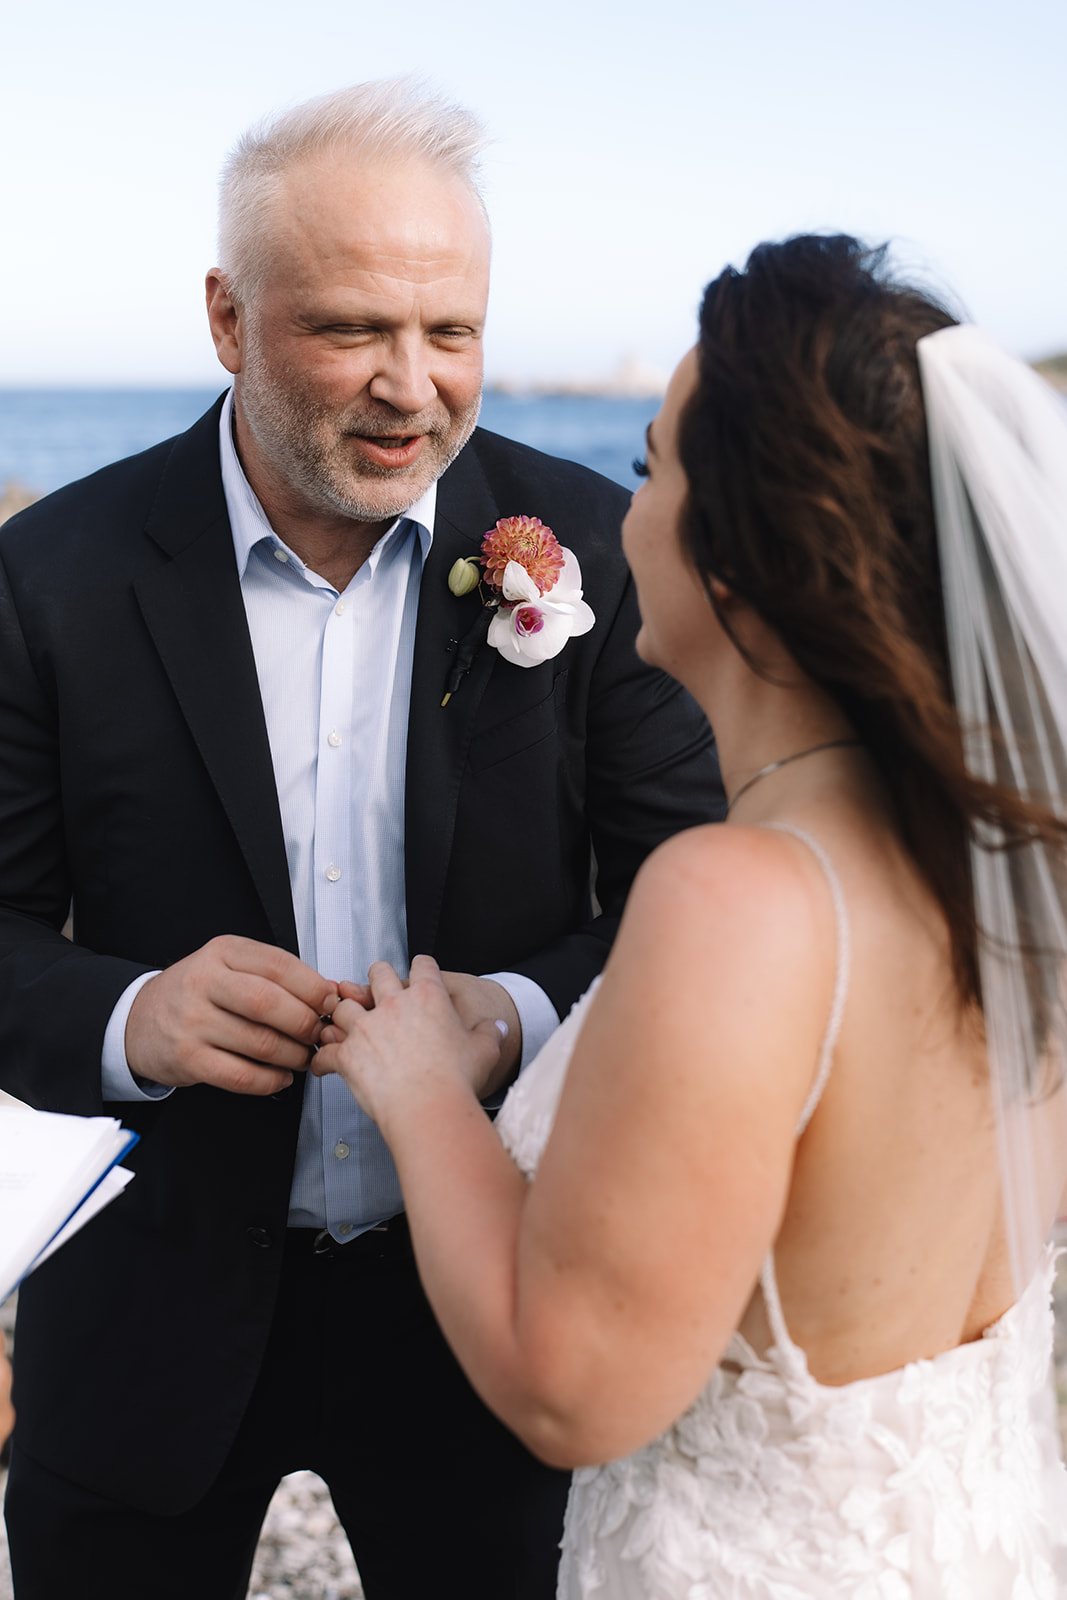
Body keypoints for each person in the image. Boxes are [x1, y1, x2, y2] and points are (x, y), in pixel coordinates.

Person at [0, 81, 720, 1599]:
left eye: (449, 333)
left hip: (487, 1300)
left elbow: (688, 900)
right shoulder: (46, 578)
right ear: (226, 319)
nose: (414, 389)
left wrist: (512, 1017)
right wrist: (135, 1014)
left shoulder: (590, 551)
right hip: (143, 1317)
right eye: (350, 331)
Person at [313, 235, 1067, 1597]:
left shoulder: (743, 897)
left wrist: (422, 1086)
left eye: (653, 466)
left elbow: (570, 1386)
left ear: (741, 556)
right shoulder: (1010, 859)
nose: (621, 509)